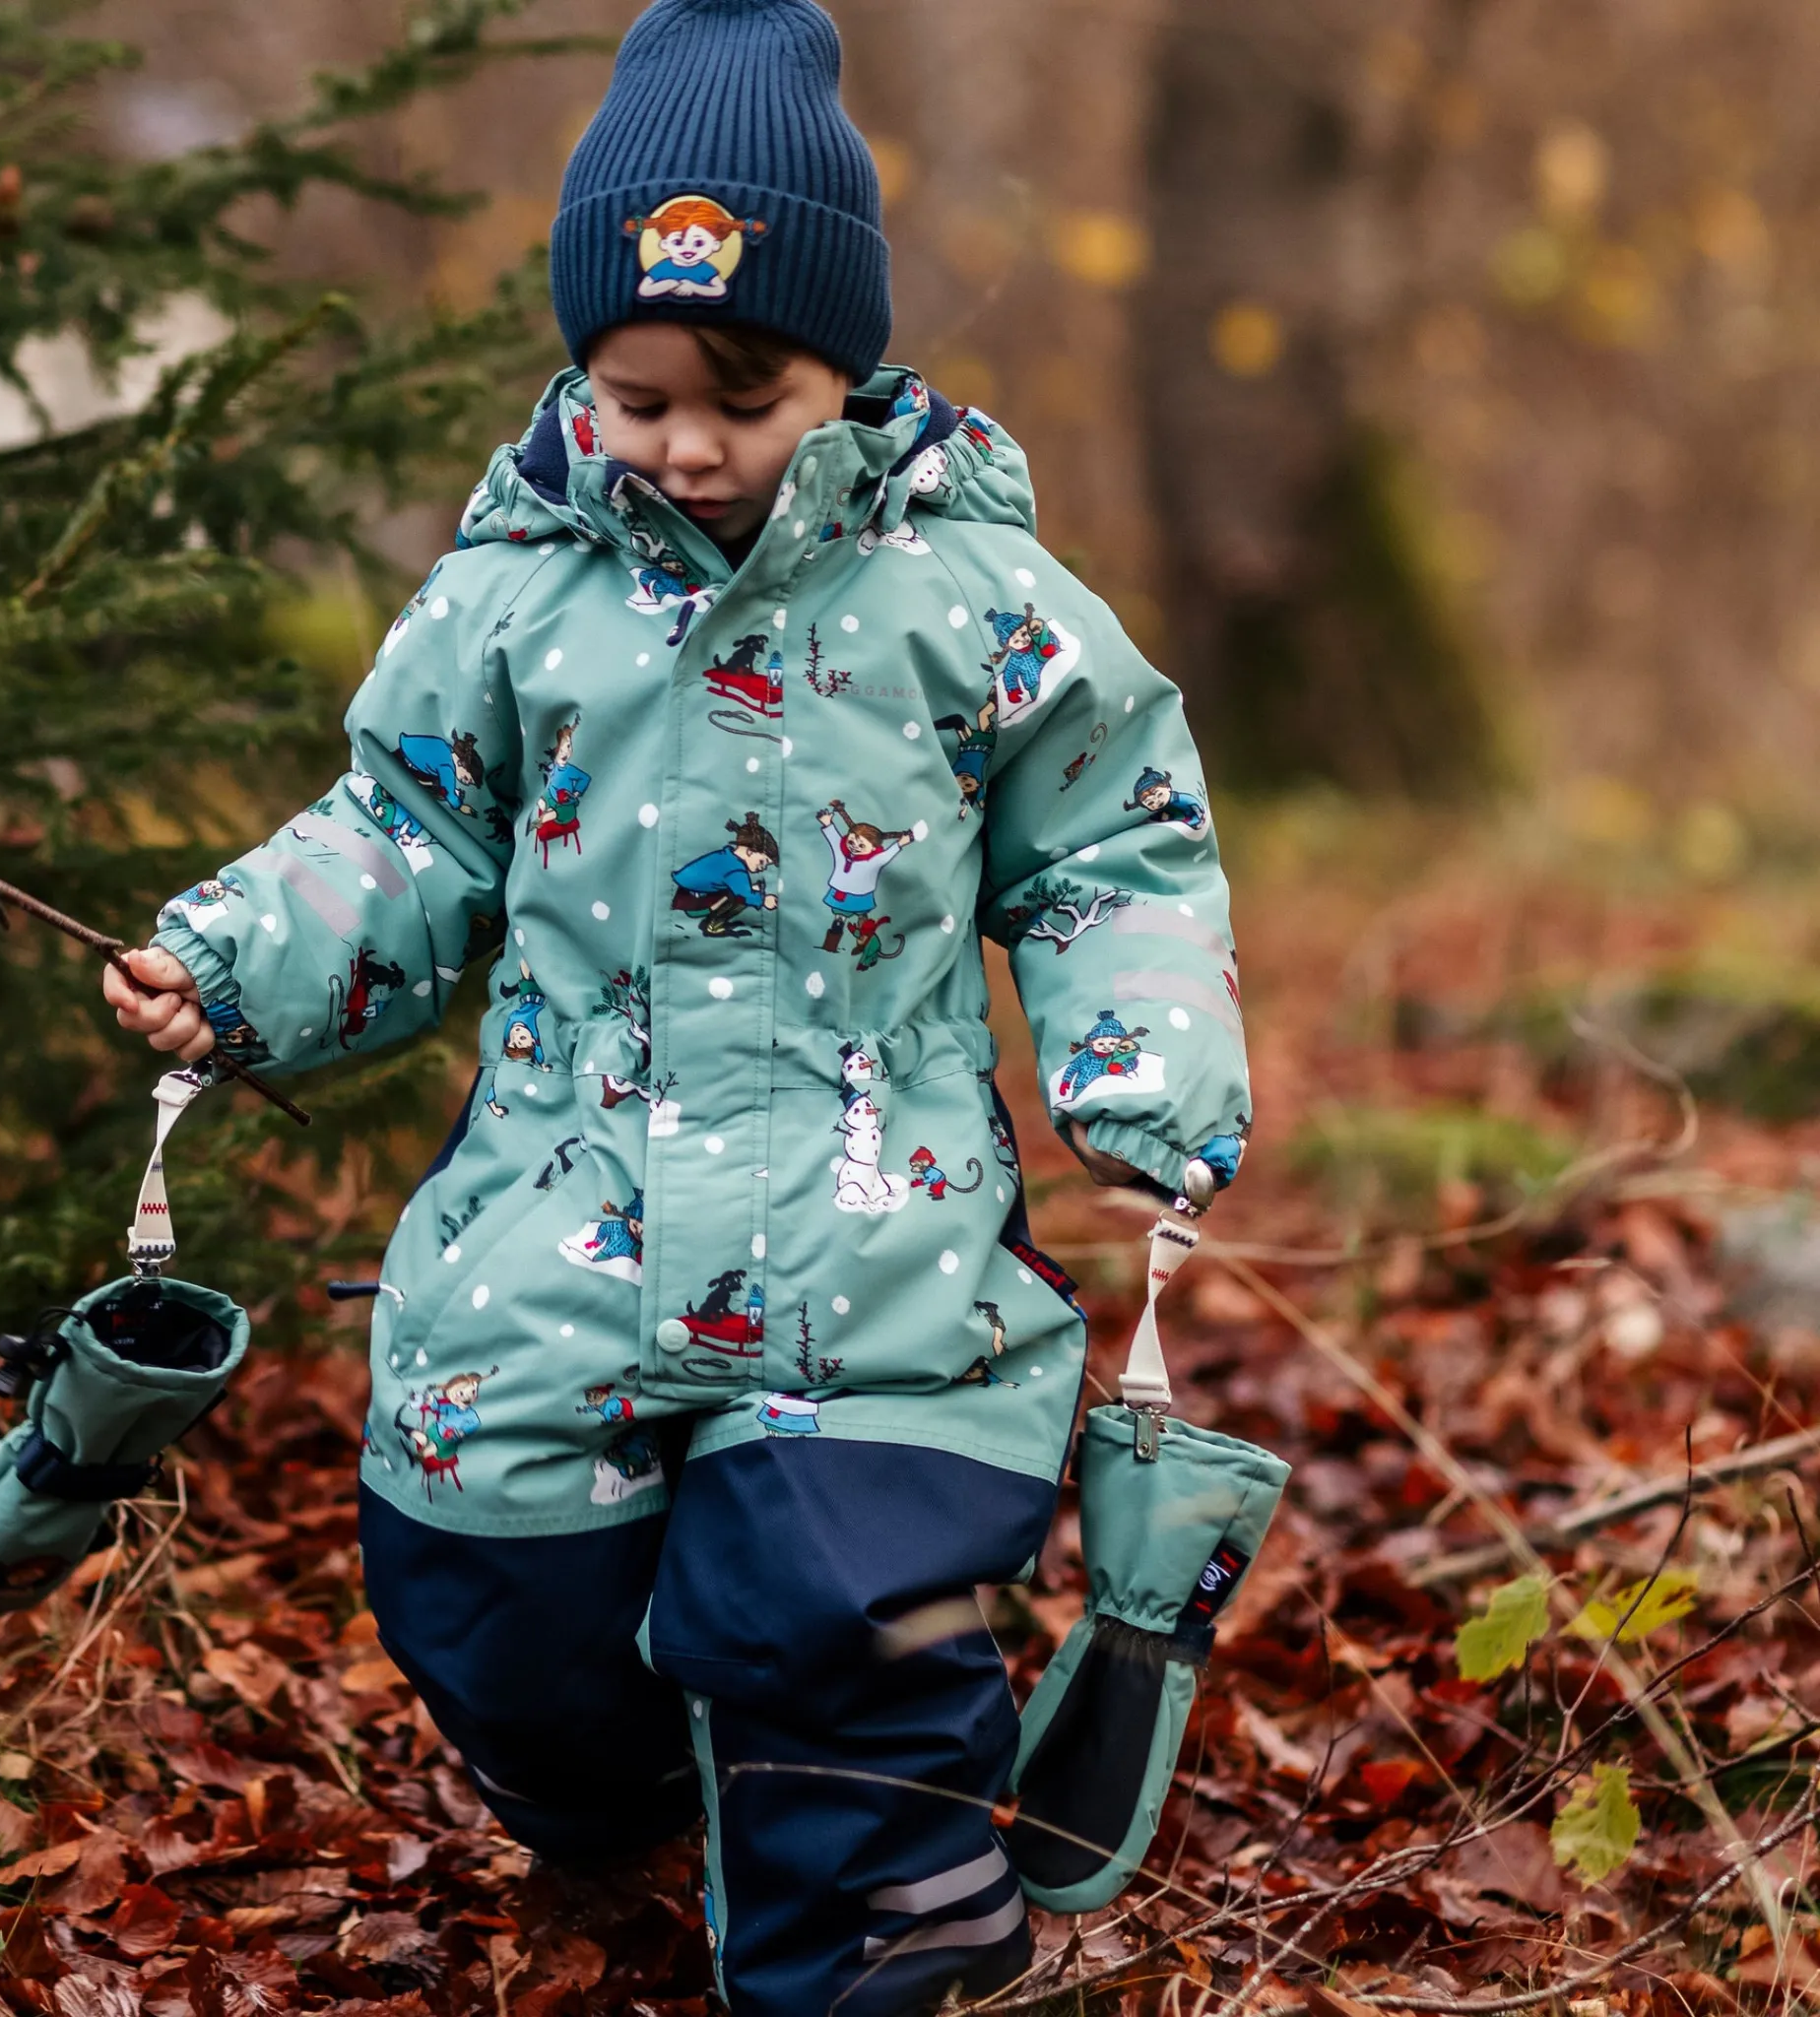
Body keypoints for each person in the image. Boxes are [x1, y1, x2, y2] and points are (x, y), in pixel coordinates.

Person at [99, 3, 1248, 2009]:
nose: (691, 444)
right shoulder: (511, 596)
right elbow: (404, 835)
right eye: (636, 398)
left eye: (749, 392)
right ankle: (622, 1789)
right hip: (548, 1234)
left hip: (873, 1254)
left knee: (836, 1609)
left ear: (848, 364)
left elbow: (1112, 849)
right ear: (578, 375)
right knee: (487, 1590)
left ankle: (893, 1934)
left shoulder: (970, 601)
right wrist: (237, 963)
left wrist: (1135, 1057)